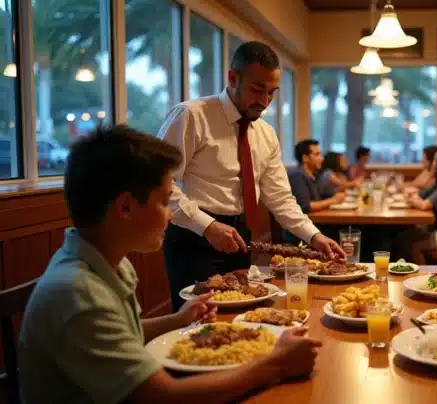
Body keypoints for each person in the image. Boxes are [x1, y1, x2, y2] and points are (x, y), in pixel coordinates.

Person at [18, 126, 322, 404]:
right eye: (165, 202)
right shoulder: (80, 294)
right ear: (125, 207)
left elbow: (125, 332)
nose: (170, 214)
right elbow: (163, 396)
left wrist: (176, 320)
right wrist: (275, 364)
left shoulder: (105, 261)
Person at [158, 41, 344, 311]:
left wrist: (314, 236)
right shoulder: (192, 115)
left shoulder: (266, 134)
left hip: (241, 238)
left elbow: (280, 198)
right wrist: (207, 226)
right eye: (257, 90)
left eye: (271, 93)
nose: (264, 101)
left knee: (240, 319)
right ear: (233, 78)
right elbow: (160, 182)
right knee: (198, 324)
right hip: (193, 238)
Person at [288, 139, 346, 213]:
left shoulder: (314, 175)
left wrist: (335, 195)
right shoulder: (297, 175)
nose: (322, 158)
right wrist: (333, 200)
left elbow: (320, 197)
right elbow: (305, 206)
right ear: (305, 158)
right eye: (317, 154)